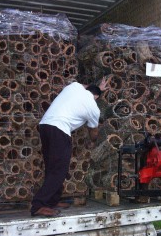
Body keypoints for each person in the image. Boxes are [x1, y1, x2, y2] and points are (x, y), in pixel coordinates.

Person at [31, 79, 108, 217]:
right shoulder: (93, 107)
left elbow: (86, 85)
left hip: (45, 126)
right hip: (60, 130)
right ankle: (38, 205)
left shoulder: (75, 86)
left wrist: (98, 88)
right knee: (59, 169)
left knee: (52, 166)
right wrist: (93, 141)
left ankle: (52, 200)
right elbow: (93, 131)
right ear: (96, 97)